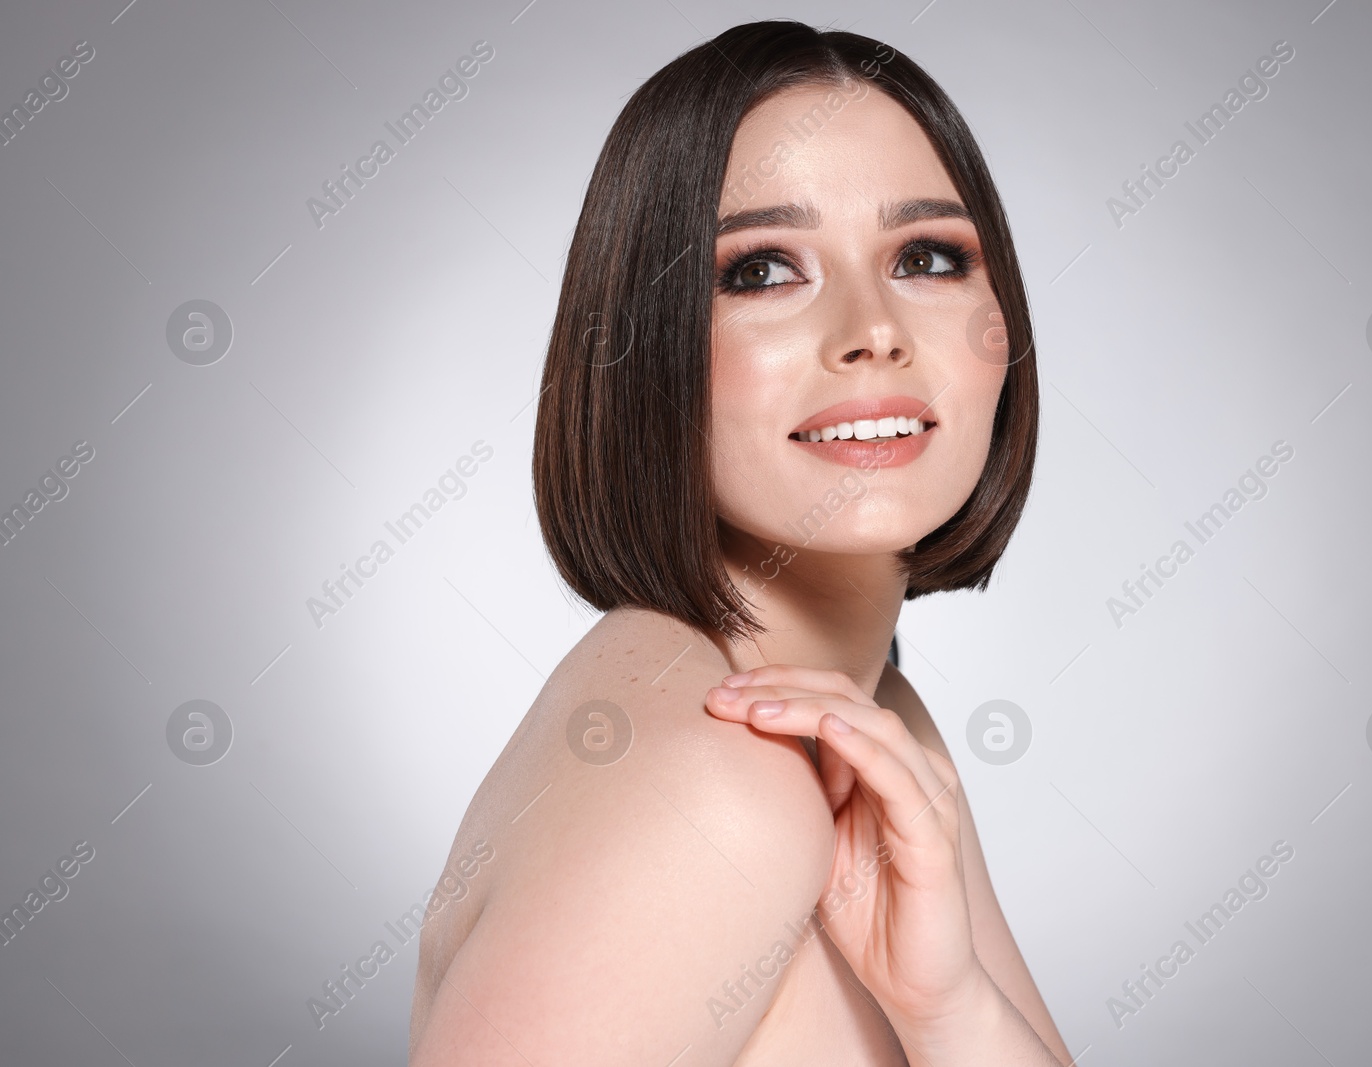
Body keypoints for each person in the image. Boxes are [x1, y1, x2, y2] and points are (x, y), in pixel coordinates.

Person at [407, 19, 1072, 1066]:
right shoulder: (719, 784)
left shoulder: (874, 720)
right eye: (762, 270)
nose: (872, 328)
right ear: (640, 350)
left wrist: (950, 1010)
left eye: (928, 256)